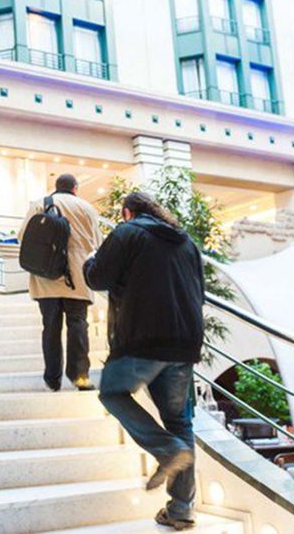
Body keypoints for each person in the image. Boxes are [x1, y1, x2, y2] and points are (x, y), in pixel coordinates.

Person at [83, 191, 205, 531]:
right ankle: (181, 510)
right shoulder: (186, 242)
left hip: (143, 338)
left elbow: (97, 277)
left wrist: (89, 260)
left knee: (112, 393)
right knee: (179, 422)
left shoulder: (128, 232)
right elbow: (201, 291)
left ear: (126, 212)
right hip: (185, 343)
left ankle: (167, 450)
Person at [18, 173, 103, 392]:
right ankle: (80, 377)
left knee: (51, 327)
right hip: (78, 276)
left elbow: (22, 236)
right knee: (78, 325)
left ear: (56, 187)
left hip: (46, 276)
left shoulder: (39, 205)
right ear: (75, 188)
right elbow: (97, 243)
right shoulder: (86, 208)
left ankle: (52, 379)